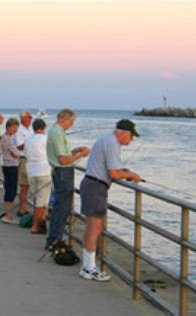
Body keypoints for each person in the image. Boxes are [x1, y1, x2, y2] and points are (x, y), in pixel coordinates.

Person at [79, 119, 142, 281]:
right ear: (123, 133)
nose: (132, 140)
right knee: (95, 227)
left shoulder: (106, 140)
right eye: (131, 136)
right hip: (96, 187)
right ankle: (90, 268)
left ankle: (87, 265)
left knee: (91, 227)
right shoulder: (112, 144)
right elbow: (113, 173)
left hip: (91, 184)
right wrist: (131, 175)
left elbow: (111, 169)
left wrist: (124, 172)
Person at [45, 108, 90, 250]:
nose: (72, 124)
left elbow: (64, 155)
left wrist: (75, 151)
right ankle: (54, 241)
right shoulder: (57, 133)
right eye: (71, 121)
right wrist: (80, 155)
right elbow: (63, 160)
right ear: (63, 119)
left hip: (61, 172)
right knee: (62, 209)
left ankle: (53, 240)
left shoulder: (56, 132)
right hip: (63, 173)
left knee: (60, 208)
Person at [24, 118, 51, 234]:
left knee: (38, 199)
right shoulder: (46, 139)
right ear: (44, 128)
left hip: (31, 171)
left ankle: (41, 221)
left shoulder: (28, 140)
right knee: (41, 201)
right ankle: (35, 226)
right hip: (44, 171)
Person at [0, 118, 21, 224]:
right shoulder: (7, 138)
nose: (15, 130)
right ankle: (7, 215)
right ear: (8, 127)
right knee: (10, 190)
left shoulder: (6, 137)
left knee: (10, 189)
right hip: (10, 166)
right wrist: (20, 152)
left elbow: (15, 152)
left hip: (7, 165)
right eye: (13, 128)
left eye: (16, 128)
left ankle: (8, 214)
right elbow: (15, 153)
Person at [14, 110, 33, 216]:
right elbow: (20, 146)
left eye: (31, 117)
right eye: (28, 117)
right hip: (24, 159)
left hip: (31, 159)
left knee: (29, 186)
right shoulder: (19, 130)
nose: (30, 119)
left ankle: (25, 208)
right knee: (24, 186)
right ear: (22, 118)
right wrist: (32, 143)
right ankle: (22, 209)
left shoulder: (30, 129)